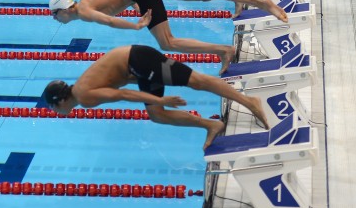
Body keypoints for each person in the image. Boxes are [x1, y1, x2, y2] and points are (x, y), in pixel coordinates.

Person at [42, 45, 271, 149]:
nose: (55, 112)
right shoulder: (82, 90)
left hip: (141, 61)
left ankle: (250, 102)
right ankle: (211, 125)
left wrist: (161, 99)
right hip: (138, 66)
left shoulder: (84, 96)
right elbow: (119, 80)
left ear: (60, 101)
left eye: (52, 108)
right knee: (156, 115)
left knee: (197, 82)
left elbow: (121, 93)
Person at [49, 0, 287, 73]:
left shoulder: (85, 11)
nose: (56, 20)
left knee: (167, 42)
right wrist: (134, 3)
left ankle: (223, 51)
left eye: (55, 15)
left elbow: (109, 20)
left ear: (64, 10)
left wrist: (136, 26)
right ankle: (261, 2)